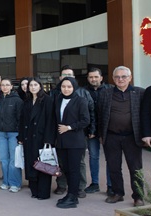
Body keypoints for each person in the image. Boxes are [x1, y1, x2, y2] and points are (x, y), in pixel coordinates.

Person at [97, 66, 146, 207]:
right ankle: (118, 193)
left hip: (132, 137)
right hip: (111, 137)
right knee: (113, 166)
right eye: (117, 77)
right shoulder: (105, 93)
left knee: (135, 168)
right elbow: (100, 114)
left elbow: (147, 115)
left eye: (124, 76)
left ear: (130, 78)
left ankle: (138, 196)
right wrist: (101, 134)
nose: (120, 79)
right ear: (113, 79)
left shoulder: (140, 93)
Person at [51, 66, 94, 198]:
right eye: (64, 86)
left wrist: (69, 127)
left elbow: (86, 120)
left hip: (75, 140)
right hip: (61, 141)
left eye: (69, 86)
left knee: (75, 168)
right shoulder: (58, 99)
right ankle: (67, 191)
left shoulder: (81, 100)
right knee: (65, 167)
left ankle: (74, 194)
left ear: (74, 87)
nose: (66, 89)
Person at [18, 78, 55, 200]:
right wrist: (21, 136)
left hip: (41, 138)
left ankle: (44, 193)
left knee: (43, 165)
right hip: (28, 137)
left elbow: (50, 120)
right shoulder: (27, 101)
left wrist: (48, 139)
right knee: (31, 164)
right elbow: (22, 120)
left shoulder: (47, 100)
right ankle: (34, 190)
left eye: (35, 85)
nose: (33, 87)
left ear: (40, 86)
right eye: (31, 85)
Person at [84, 68, 113, 195]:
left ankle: (111, 185)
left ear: (101, 78)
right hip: (91, 130)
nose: (93, 79)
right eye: (91, 77)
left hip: (108, 129)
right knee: (93, 157)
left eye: (96, 77)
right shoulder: (83, 91)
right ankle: (94, 183)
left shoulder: (110, 90)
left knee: (110, 158)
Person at [0, 78, 23, 193]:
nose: (5, 87)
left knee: (13, 160)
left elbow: (20, 119)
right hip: (0, 133)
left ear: (11, 86)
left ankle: (15, 183)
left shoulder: (17, 100)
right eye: (3, 85)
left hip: (13, 134)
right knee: (3, 159)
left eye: (7, 85)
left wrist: (20, 135)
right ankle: (6, 182)